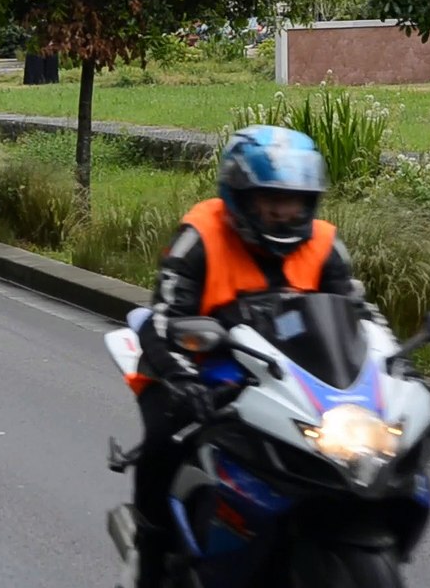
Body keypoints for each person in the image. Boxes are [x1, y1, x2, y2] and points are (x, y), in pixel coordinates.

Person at [125, 125, 392, 588]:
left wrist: (396, 369)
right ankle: (150, 557)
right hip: (195, 368)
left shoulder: (326, 244)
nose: (286, 213)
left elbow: (360, 316)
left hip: (288, 377)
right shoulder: (202, 235)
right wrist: (182, 378)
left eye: (297, 201)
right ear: (240, 195)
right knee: (162, 444)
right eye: (273, 200)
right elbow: (163, 316)